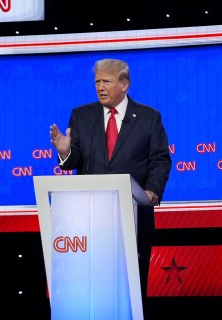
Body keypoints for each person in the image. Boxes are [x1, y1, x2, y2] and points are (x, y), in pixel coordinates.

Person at [50, 58, 172, 304]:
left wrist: (151, 191)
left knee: (132, 292)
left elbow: (160, 159)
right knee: (92, 291)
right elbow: (75, 160)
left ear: (124, 84)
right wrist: (65, 152)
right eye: (97, 82)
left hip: (134, 216)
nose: (100, 87)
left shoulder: (149, 117)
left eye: (106, 81)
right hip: (88, 219)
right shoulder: (82, 116)